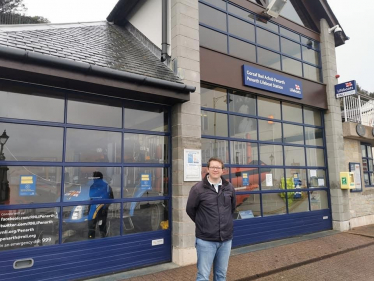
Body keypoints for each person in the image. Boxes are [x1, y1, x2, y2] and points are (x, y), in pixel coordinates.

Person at [186, 157, 236, 281]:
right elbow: (190, 209)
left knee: (221, 275)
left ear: (223, 170)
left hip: (225, 240)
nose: (215, 169)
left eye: (218, 167)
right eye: (212, 167)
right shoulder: (198, 189)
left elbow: (232, 208)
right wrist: (203, 223)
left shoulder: (229, 187)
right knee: (203, 276)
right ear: (207, 169)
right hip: (206, 240)